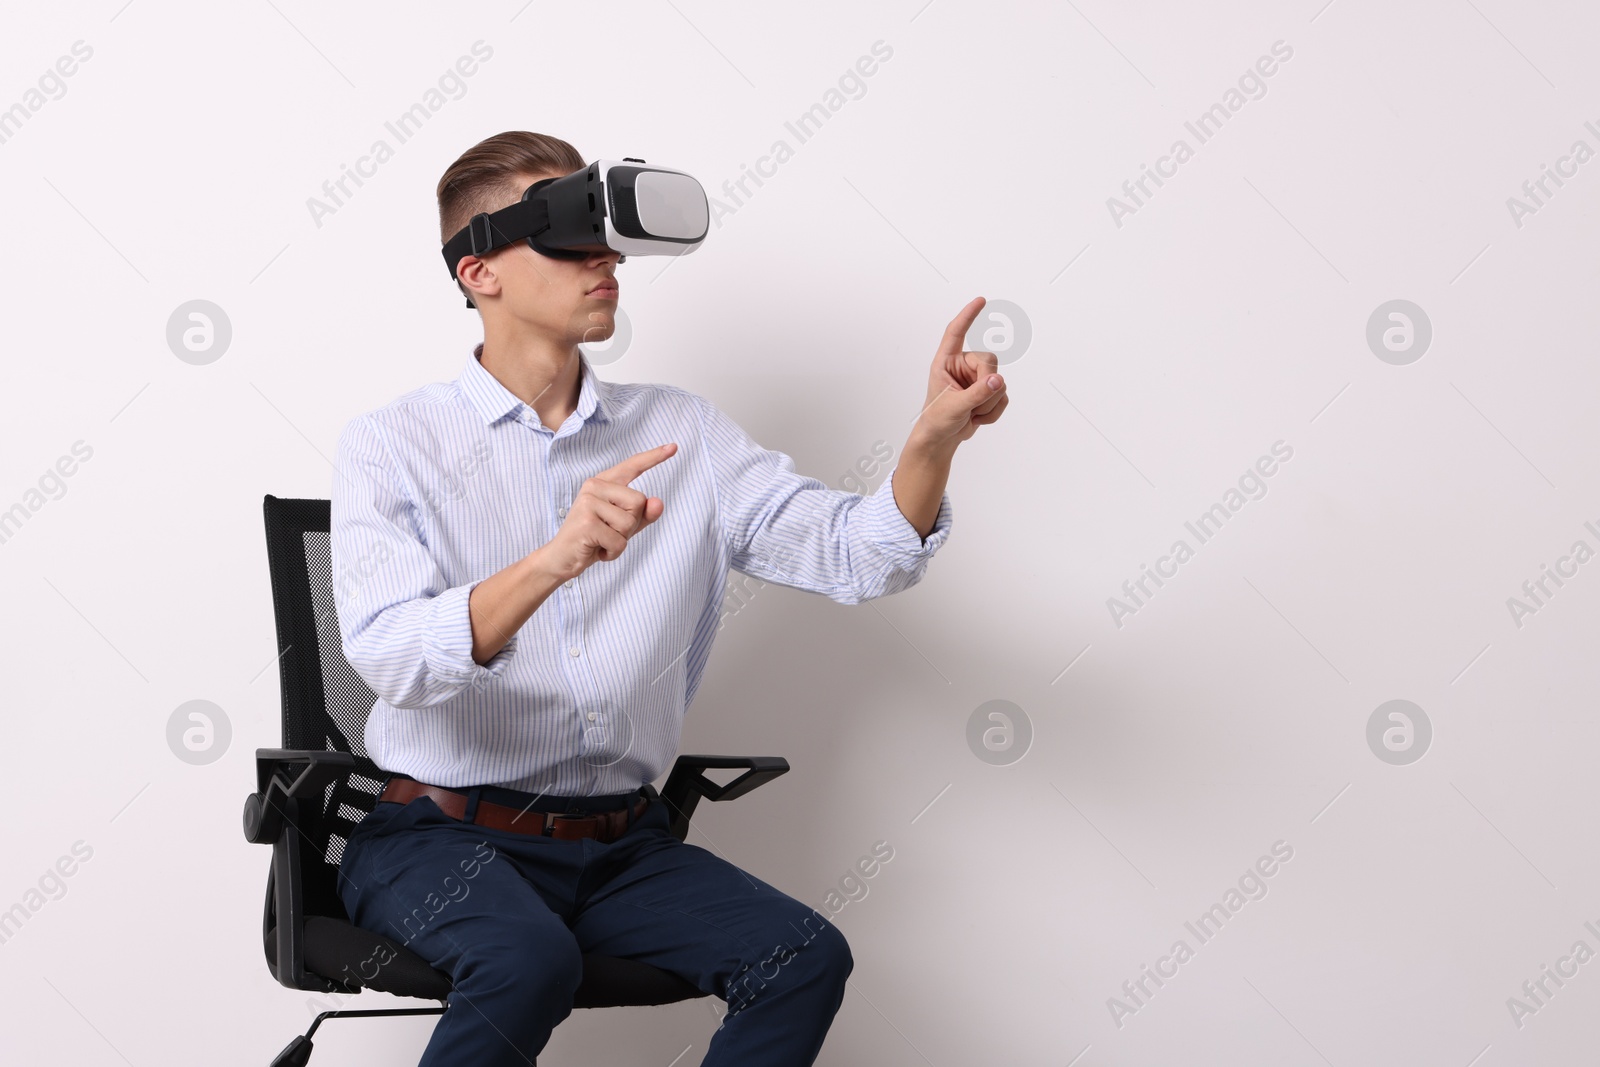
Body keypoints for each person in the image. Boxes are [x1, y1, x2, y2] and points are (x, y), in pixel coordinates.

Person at [329, 130, 1008, 1066]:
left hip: (618, 846)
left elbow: (863, 558)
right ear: (478, 269)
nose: (606, 255)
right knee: (527, 961)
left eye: (605, 231)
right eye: (567, 232)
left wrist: (933, 440)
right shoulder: (392, 444)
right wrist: (556, 558)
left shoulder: (680, 431)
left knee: (801, 955)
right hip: (438, 836)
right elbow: (391, 657)